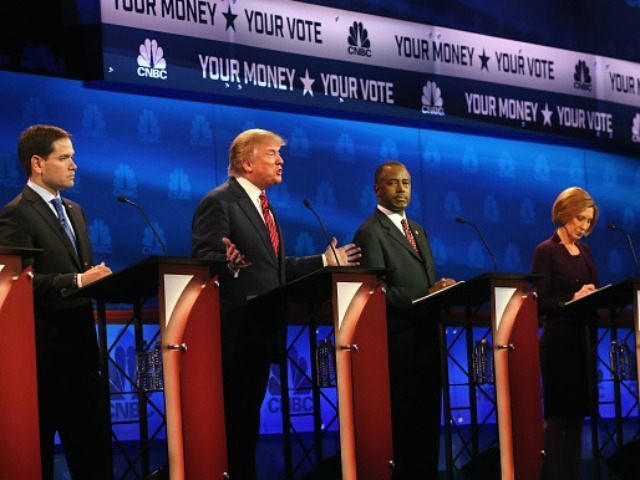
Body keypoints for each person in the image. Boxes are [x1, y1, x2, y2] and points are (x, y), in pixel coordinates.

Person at [191, 128, 361, 480]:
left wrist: (325, 262)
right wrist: (227, 263)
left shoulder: (264, 207)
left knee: (247, 426)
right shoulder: (220, 201)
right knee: (235, 428)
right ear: (246, 162)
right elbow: (205, 257)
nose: (281, 160)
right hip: (234, 335)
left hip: (261, 333)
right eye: (272, 154)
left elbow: (277, 270)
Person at [0, 125, 112, 479]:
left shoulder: (75, 211)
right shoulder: (16, 214)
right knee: (39, 459)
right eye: (64, 158)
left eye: (73, 158)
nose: (74, 165)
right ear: (37, 163)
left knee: (93, 456)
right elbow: (18, 286)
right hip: (43, 361)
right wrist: (78, 280)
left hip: (82, 355)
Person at [353, 161, 454, 479]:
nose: (401, 189)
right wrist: (426, 295)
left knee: (427, 424)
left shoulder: (418, 230)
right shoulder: (369, 232)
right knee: (405, 427)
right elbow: (376, 291)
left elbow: (427, 281)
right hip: (399, 345)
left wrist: (439, 291)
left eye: (406, 183)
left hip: (427, 340)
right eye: (393, 183)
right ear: (377, 189)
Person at [531, 186, 599, 480]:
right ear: (565, 214)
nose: (584, 226)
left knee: (577, 417)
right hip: (559, 346)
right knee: (559, 418)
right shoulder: (546, 251)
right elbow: (538, 303)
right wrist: (572, 298)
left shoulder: (585, 251)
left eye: (588, 221)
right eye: (580, 219)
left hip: (582, 343)